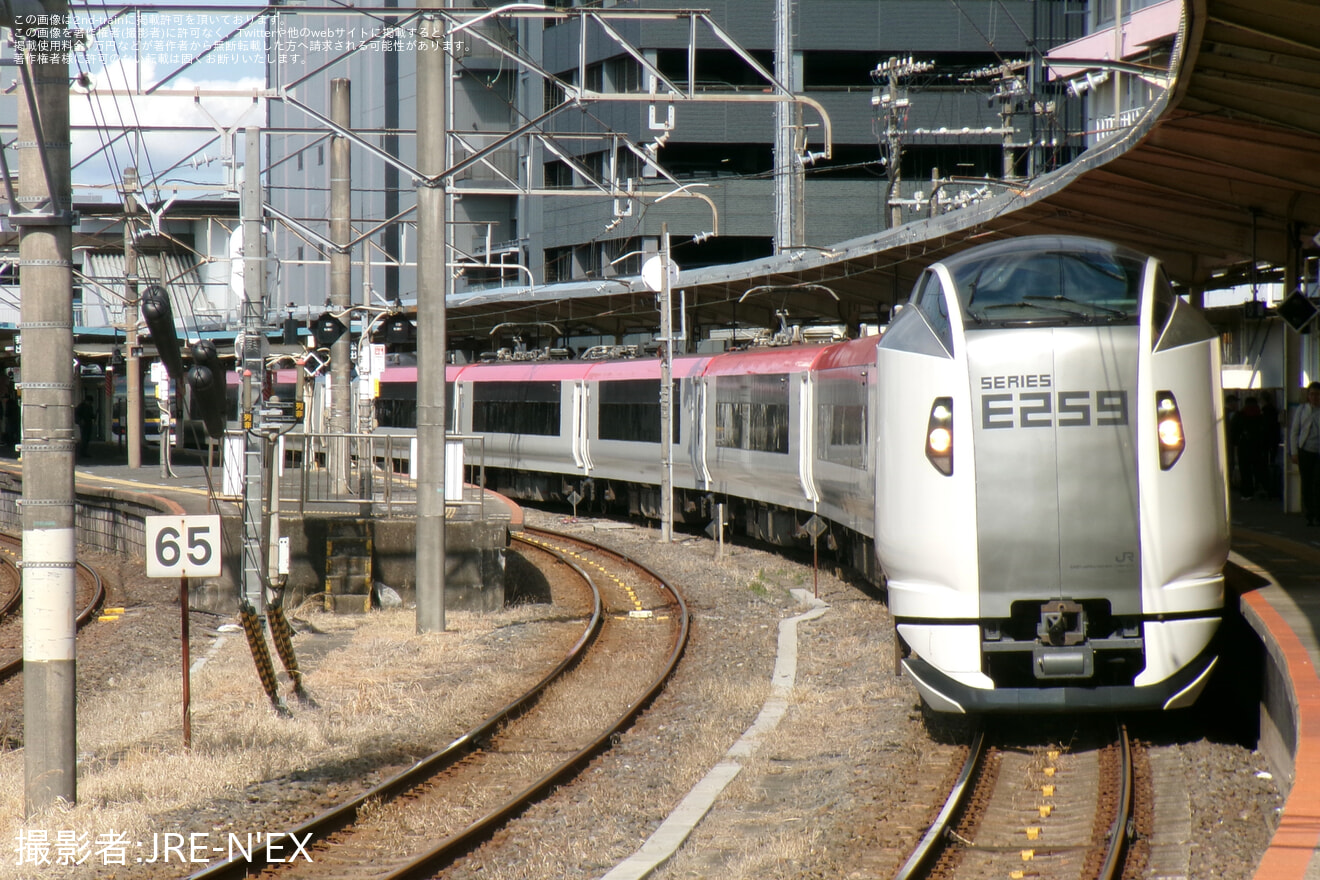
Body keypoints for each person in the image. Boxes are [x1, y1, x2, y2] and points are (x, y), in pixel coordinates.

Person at [1289, 381, 1320, 526]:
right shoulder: (1302, 410)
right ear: (1308, 396)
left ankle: (1318, 513)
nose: (1314, 397)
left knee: (1317, 482)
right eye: (1312, 394)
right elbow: (1295, 431)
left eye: (1317, 395)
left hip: (1318, 452)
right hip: (1305, 451)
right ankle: (1309, 513)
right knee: (1306, 483)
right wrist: (1294, 452)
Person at [1231, 396, 1269, 500]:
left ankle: (1247, 493)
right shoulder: (1261, 416)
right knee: (1259, 469)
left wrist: (1235, 443)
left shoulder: (1239, 415)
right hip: (1258, 447)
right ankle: (1262, 490)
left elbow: (1233, 431)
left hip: (1244, 447)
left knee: (1245, 471)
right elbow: (1266, 432)